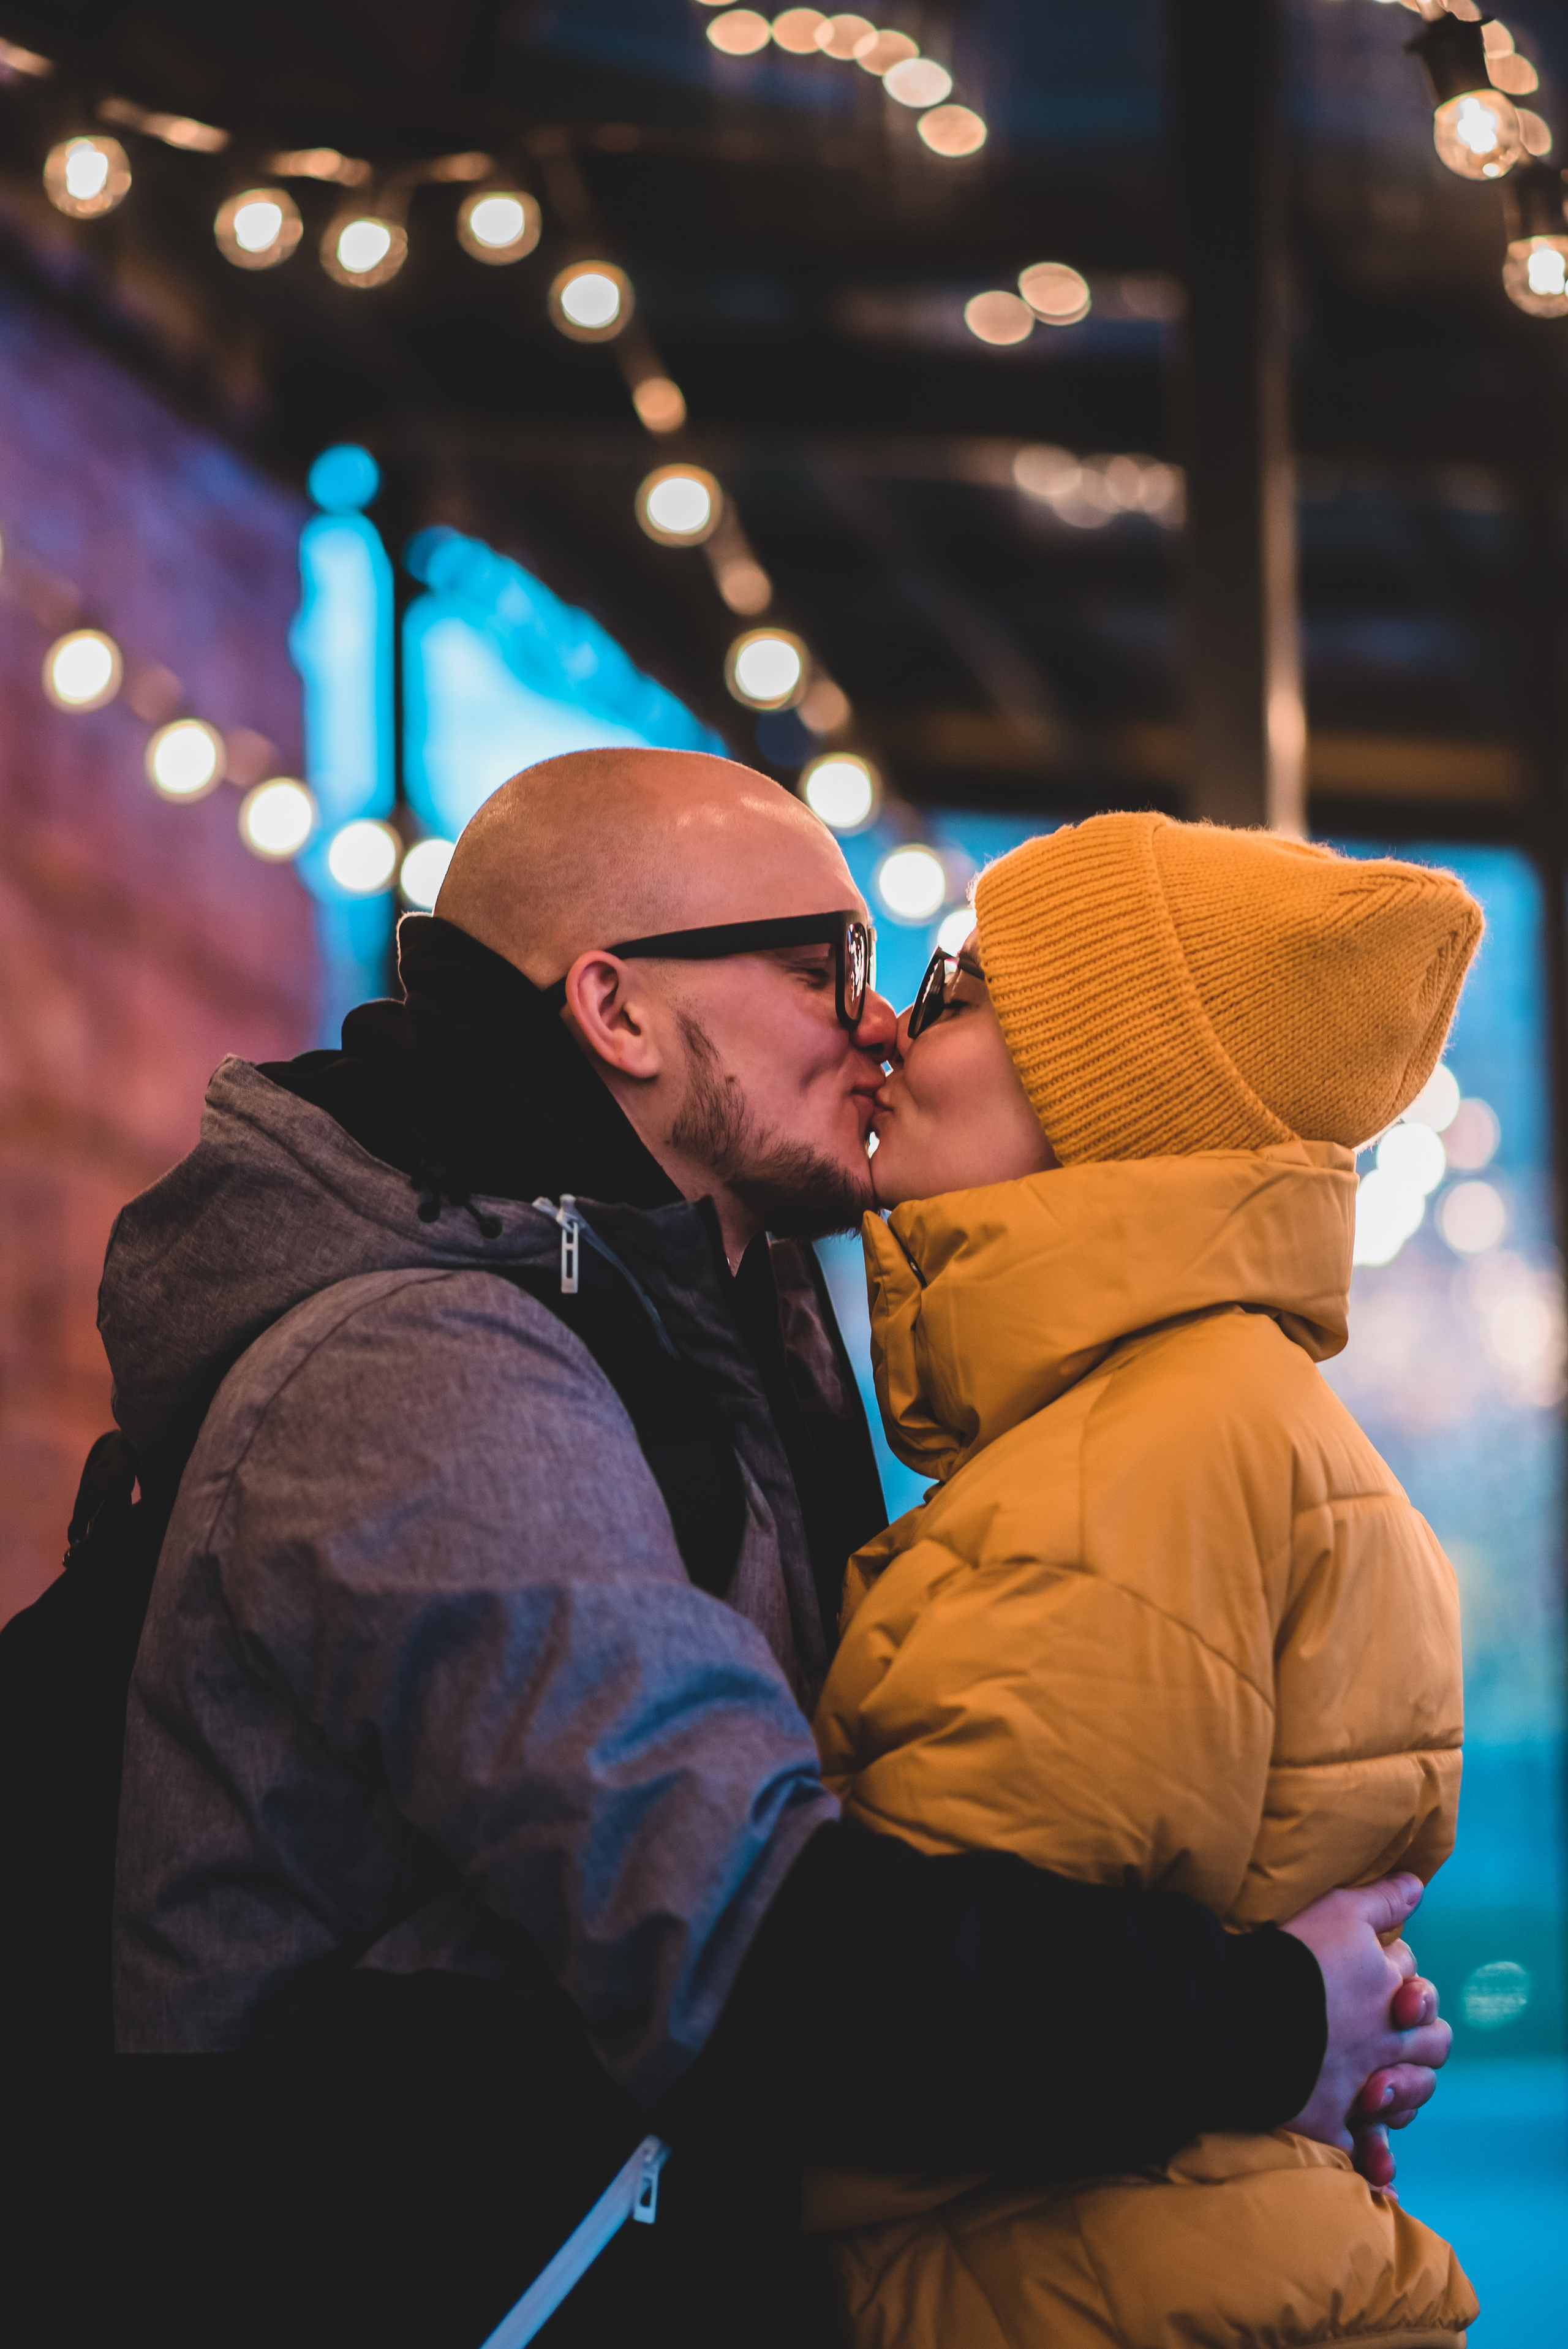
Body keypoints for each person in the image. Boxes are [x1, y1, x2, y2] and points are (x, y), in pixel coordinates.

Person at [103, 754, 1449, 2346]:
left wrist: (1273, 2048)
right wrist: (1267, 2024)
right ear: (618, 1013)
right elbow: (746, 1944)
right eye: (827, 963)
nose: (880, 1022)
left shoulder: (728, 1335)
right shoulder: (428, 1370)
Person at [812, 811, 1481, 2348]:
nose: (890, 1031)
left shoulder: (1134, 1457)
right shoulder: (1204, 1416)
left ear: (1105, 1094)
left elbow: (908, 2049)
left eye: (953, 992)